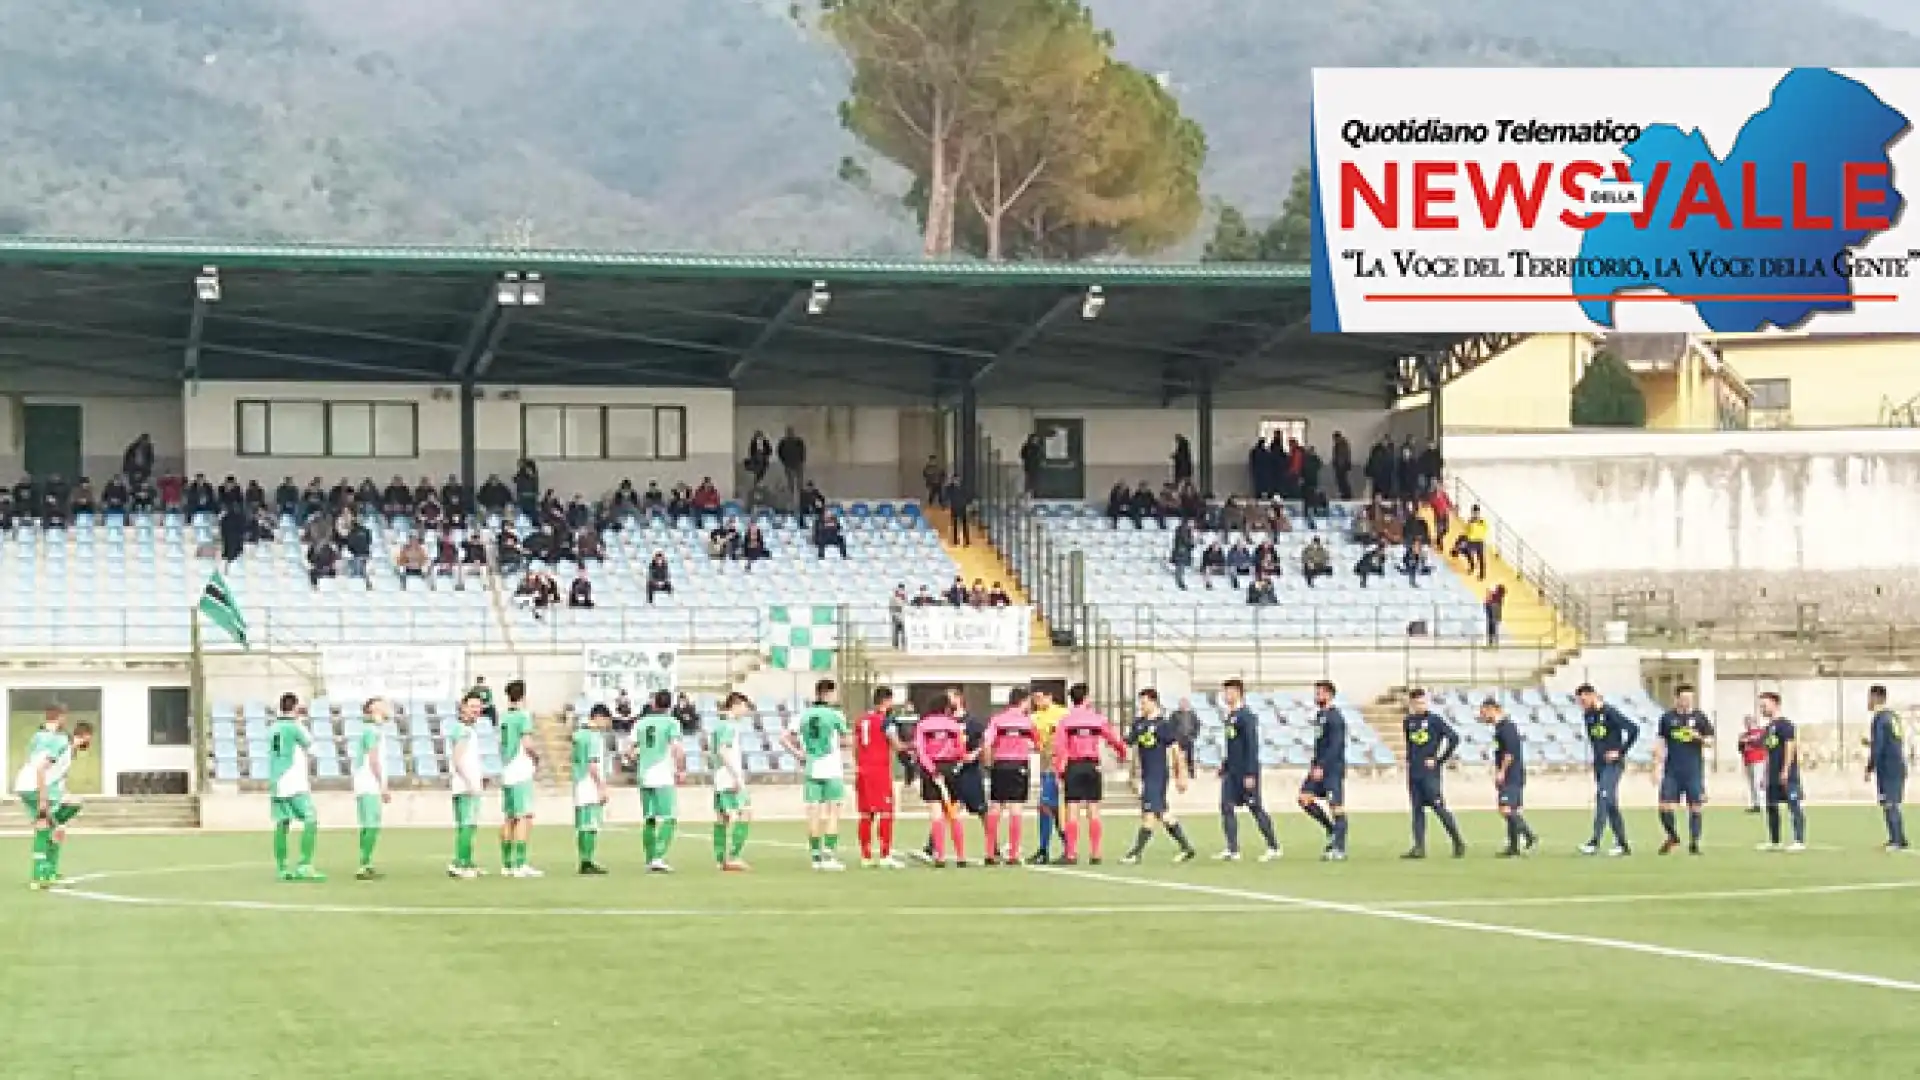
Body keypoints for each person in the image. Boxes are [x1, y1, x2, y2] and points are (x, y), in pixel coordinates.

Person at [16, 708, 92, 889]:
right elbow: (41, 769)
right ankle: (39, 876)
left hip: (34, 787)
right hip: (34, 787)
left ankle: (48, 871)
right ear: (85, 736)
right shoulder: (63, 744)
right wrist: (43, 800)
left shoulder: (67, 750)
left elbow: (57, 778)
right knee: (45, 825)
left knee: (60, 820)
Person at [1053, 683, 1127, 865]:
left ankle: (1071, 853)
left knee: (1072, 809)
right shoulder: (1097, 719)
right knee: (1094, 809)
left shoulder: (1065, 721)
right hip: (1092, 765)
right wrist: (1122, 753)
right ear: (1086, 698)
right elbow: (1113, 739)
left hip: (1074, 765)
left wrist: (1059, 771)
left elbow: (1060, 748)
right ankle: (1096, 853)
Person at [1121, 688, 1196, 864]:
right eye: (1141, 702)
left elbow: (1176, 750)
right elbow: (1127, 743)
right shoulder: (1139, 724)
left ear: (1154, 702)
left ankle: (1135, 853)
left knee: (1149, 813)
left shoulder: (1163, 725)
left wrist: (1181, 775)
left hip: (1158, 773)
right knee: (1162, 813)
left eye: (1145, 702)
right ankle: (1186, 847)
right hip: (1146, 774)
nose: (1142, 705)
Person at [786, 679, 850, 871]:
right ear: (827, 694)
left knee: (813, 813)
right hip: (831, 768)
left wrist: (798, 753)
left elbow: (785, 737)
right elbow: (846, 739)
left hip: (811, 767)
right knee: (833, 812)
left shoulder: (802, 715)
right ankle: (829, 855)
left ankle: (815, 857)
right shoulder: (835, 715)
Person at [1217, 679, 1282, 862]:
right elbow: (1233, 745)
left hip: (1246, 771)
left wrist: (1250, 773)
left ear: (1238, 693)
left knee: (1255, 807)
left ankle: (1273, 846)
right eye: (1224, 692)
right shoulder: (1230, 716)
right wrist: (1225, 764)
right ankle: (1233, 849)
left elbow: (1251, 746)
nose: (1225, 695)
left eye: (1229, 692)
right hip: (1232, 772)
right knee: (1226, 806)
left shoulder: (1247, 716)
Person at [1401, 688, 1466, 859]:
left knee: (1438, 807)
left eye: (1423, 702)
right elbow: (1410, 743)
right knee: (1417, 810)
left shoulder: (1434, 720)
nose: (1421, 705)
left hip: (1430, 773)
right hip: (1414, 771)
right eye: (1417, 703)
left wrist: (1439, 759)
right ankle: (1419, 847)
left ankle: (1458, 841)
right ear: (1412, 704)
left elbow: (1454, 738)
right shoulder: (1408, 721)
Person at [268, 693, 325, 882]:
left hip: (277, 782)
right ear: (295, 708)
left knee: (282, 823)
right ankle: (304, 865)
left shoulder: (274, 727)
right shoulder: (294, 727)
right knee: (311, 818)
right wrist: (300, 722)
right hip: (293, 781)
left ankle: (282, 867)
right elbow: (313, 748)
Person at [1577, 684, 1638, 856]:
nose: (1582, 703)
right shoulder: (1588, 716)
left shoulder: (1610, 712)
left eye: (1584, 699)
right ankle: (1623, 844)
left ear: (1593, 696)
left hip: (1614, 764)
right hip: (1600, 765)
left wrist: (1620, 751)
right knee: (1610, 803)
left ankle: (1594, 841)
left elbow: (1634, 730)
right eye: (1580, 701)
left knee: (1602, 796)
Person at [1653, 684, 1713, 856]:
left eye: (1690, 698)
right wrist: (1656, 765)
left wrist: (1698, 737)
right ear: (1677, 698)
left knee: (1695, 806)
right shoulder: (1667, 718)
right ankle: (1672, 836)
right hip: (1672, 770)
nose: (1687, 702)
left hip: (1693, 770)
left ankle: (1695, 843)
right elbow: (1661, 741)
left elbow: (1709, 741)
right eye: (1684, 698)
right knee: (1664, 806)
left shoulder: (1700, 718)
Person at [982, 688, 1039, 865]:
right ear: (1023, 701)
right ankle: (1014, 853)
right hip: (1019, 765)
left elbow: (987, 742)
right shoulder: (1027, 722)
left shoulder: (997, 720)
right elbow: (1037, 744)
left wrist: (989, 762)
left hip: (1000, 765)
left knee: (995, 808)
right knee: (1016, 809)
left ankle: (990, 852)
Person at [914, 695, 971, 867]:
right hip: (951, 769)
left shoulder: (923, 725)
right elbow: (961, 750)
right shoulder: (954, 725)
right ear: (946, 708)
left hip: (932, 770)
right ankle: (961, 856)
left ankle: (940, 856)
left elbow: (920, 750)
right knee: (953, 813)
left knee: (936, 813)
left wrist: (932, 770)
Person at [1298, 680, 1350, 860]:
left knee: (1335, 806)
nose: (1316, 696)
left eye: (1319, 693)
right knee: (1304, 799)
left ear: (1329, 695)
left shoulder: (1335, 717)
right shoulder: (1321, 716)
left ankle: (1339, 848)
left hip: (1332, 769)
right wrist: (1315, 764)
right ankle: (1331, 830)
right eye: (1316, 693)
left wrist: (1322, 766)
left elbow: (1336, 746)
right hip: (1318, 766)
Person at [855, 687, 906, 869]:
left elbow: (856, 746)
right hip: (879, 771)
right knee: (886, 812)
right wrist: (912, 746)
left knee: (866, 813)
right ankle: (885, 855)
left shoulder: (861, 720)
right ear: (886, 701)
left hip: (862, 770)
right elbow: (896, 745)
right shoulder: (885, 721)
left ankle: (866, 856)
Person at [635, 691, 686, 873]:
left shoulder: (640, 723)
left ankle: (649, 858)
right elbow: (677, 748)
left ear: (654, 704)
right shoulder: (672, 723)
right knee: (668, 817)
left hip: (644, 774)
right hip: (663, 774)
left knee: (649, 818)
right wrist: (681, 770)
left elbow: (629, 749)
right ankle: (658, 857)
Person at [497, 680, 541, 878]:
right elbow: (527, 742)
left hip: (507, 768)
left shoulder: (504, 717)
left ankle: (506, 864)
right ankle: (521, 864)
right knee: (524, 816)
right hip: (520, 768)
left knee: (509, 817)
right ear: (523, 696)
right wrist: (536, 757)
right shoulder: (523, 716)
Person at [1484, 698, 1537, 857]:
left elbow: (1509, 753)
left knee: (1505, 809)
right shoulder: (1500, 728)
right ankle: (1513, 847)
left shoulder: (1507, 728)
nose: (1483, 716)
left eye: (1484, 712)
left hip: (1512, 774)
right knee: (1511, 810)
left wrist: (1502, 772)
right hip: (1511, 773)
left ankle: (1529, 835)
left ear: (1493, 709)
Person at [708, 692, 754, 872]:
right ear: (735, 705)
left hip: (719, 774)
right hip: (728, 774)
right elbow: (723, 750)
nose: (745, 711)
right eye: (744, 706)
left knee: (722, 817)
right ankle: (734, 856)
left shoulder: (718, 725)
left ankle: (720, 859)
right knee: (746, 811)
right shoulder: (730, 726)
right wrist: (735, 775)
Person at [1756, 691, 1806, 852]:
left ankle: (1799, 840)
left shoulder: (1786, 725)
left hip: (1786, 773)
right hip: (1772, 773)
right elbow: (1768, 753)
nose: (1762, 708)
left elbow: (1790, 747)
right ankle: (1775, 841)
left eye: (1765, 705)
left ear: (1775, 704)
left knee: (1794, 806)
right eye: (1761, 705)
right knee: (1771, 806)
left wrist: (1785, 769)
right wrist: (1765, 775)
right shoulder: (1768, 728)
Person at [351, 697, 394, 880]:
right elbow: (374, 759)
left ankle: (365, 862)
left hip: (363, 781)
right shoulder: (372, 731)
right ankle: (365, 863)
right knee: (372, 824)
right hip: (369, 782)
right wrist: (382, 785)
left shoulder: (370, 730)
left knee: (368, 824)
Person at [1864, 685, 1910, 851]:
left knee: (1890, 803)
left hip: (1888, 768)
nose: (1868, 701)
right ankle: (1897, 838)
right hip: (1897, 764)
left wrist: (1869, 767)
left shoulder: (1880, 718)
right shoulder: (1893, 717)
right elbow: (1893, 742)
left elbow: (1880, 746)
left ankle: (1896, 841)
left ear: (1876, 698)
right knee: (1890, 803)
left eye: (1869, 697)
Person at [446, 693, 485, 879]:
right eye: (472, 706)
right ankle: (460, 863)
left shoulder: (468, 730)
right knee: (467, 825)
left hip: (468, 783)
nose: (476, 710)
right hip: (465, 785)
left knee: (469, 825)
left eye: (478, 707)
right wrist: (469, 781)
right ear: (463, 707)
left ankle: (467, 861)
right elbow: (457, 758)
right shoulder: (463, 730)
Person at [1027, 688, 1067, 865]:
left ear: (1050, 697)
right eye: (1034, 699)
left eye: (1040, 698)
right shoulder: (1034, 718)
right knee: (1051, 808)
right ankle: (1065, 847)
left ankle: (1046, 850)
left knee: (1046, 806)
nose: (1037, 702)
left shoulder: (1063, 714)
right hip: (1045, 767)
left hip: (1059, 768)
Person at [572, 705, 612, 875]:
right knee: (591, 825)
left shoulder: (579, 734)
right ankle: (587, 861)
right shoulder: (593, 737)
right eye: (606, 720)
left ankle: (584, 859)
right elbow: (593, 764)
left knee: (582, 825)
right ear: (598, 717)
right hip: (589, 782)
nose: (606, 724)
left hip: (579, 781)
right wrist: (601, 787)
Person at [1737, 716, 1768, 813]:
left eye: (1749, 722)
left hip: (1758, 760)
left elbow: (1759, 742)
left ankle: (1763, 804)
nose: (1747, 724)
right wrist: (1745, 741)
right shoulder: (1744, 734)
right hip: (1748, 761)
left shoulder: (1761, 732)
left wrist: (1749, 740)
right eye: (1746, 723)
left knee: (1757, 782)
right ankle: (1755, 804)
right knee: (1751, 784)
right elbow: (1740, 747)